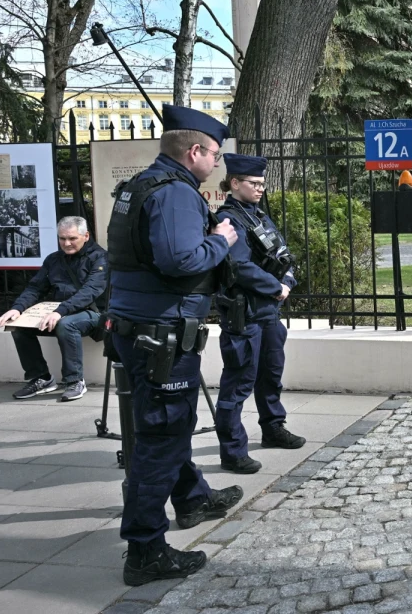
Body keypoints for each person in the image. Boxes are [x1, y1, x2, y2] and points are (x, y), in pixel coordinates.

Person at [106, 103, 243, 586]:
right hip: (161, 333)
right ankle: (144, 549)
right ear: (196, 151)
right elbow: (181, 260)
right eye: (216, 155)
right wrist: (221, 238)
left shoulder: (136, 186)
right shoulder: (176, 194)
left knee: (166, 425)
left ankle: (192, 499)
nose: (218, 164)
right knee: (161, 437)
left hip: (134, 326)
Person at [213, 154, 304, 475]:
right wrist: (275, 286)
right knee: (238, 383)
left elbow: (282, 253)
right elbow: (237, 266)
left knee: (271, 374)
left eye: (263, 183)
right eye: (254, 183)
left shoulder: (258, 215)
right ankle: (232, 449)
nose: (260, 188)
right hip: (245, 313)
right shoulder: (229, 219)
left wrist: (287, 281)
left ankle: (273, 427)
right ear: (234, 183)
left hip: (268, 312)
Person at [0, 216, 107, 402]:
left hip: (93, 312)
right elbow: (35, 288)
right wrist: (17, 309)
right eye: (62, 238)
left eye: (72, 238)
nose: (67, 243)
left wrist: (60, 311)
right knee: (18, 325)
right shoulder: (54, 260)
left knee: (66, 325)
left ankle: (74, 381)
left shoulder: (100, 258)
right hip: (61, 311)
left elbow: (90, 292)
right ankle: (42, 378)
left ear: (86, 236)